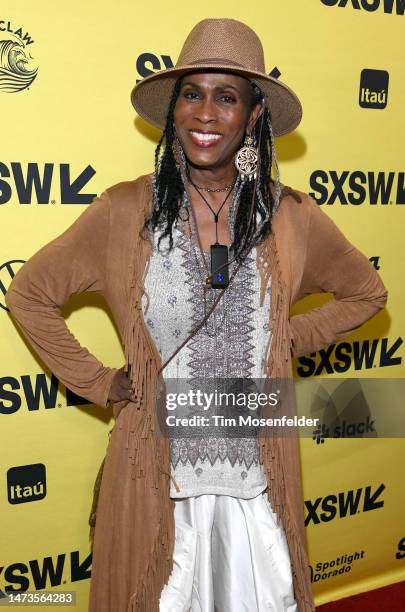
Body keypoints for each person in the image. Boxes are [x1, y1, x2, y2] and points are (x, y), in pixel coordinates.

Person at [5, 17, 388, 612]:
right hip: (157, 482)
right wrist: (101, 381)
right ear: (173, 108)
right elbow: (28, 294)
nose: (205, 113)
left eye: (226, 96)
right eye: (192, 93)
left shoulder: (291, 217)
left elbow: (367, 293)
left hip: (254, 487)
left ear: (254, 115)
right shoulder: (122, 211)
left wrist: (282, 340)